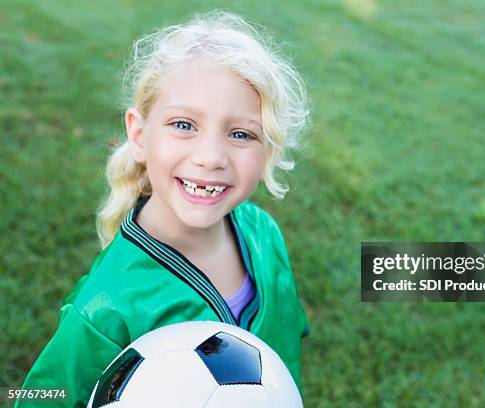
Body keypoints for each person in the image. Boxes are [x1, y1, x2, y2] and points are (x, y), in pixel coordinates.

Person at [16, 11, 310, 407]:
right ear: (139, 136)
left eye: (241, 134)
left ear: (267, 151)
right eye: (184, 125)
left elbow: (284, 349)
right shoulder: (107, 305)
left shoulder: (263, 234)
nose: (210, 157)